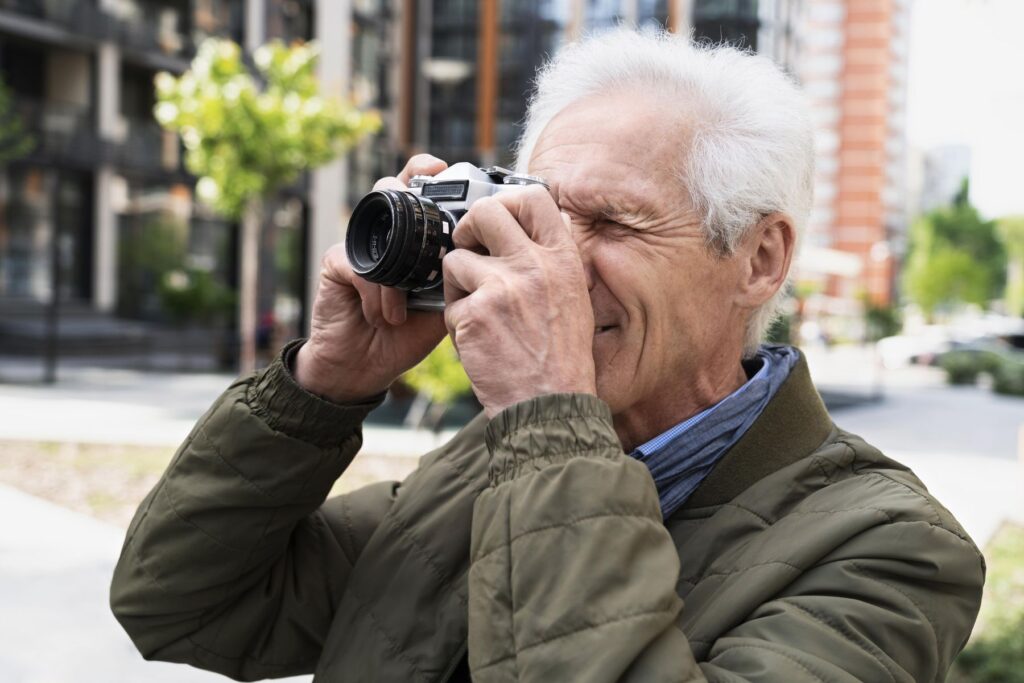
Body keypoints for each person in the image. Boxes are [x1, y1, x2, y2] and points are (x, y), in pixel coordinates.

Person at [110, 31, 983, 682]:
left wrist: (547, 422)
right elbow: (181, 605)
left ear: (758, 259)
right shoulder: (489, 464)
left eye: (608, 221)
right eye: (538, 213)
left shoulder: (890, 548)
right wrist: (323, 386)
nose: (551, 260)